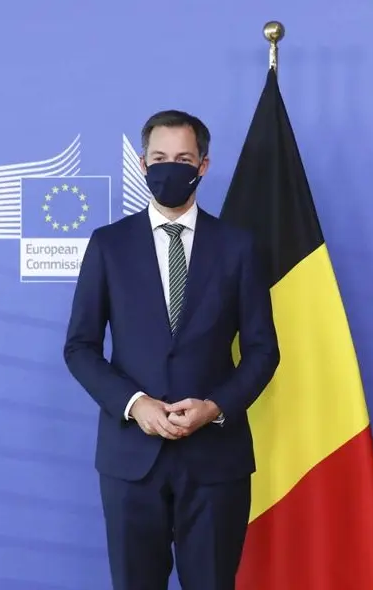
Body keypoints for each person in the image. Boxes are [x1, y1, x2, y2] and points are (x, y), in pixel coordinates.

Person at [63, 110, 280, 589]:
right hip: (130, 460)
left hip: (215, 460)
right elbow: (80, 347)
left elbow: (264, 351)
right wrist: (134, 404)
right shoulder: (108, 245)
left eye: (183, 158)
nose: (170, 167)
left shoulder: (238, 247)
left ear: (203, 165)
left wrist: (215, 407)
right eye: (159, 158)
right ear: (142, 163)